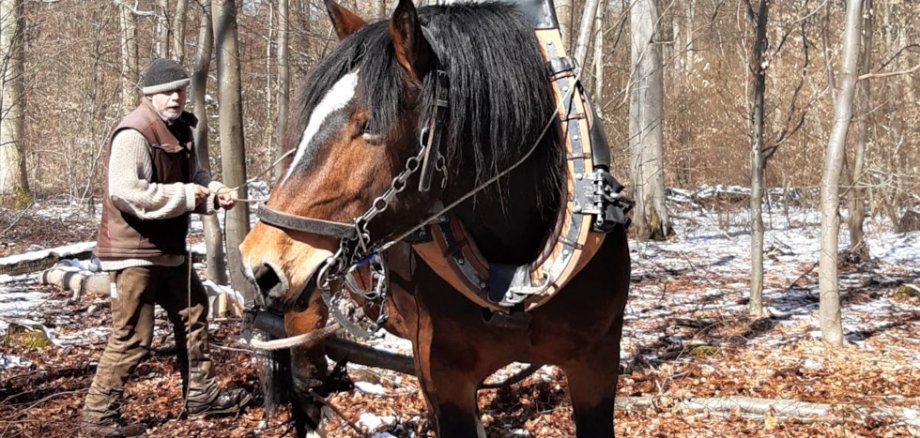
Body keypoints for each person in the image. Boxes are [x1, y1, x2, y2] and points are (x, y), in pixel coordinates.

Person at [82, 58, 251, 436]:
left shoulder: (180, 130)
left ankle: (200, 395)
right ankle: (98, 420)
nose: (175, 97)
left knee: (194, 311)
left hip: (169, 250)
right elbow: (126, 193)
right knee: (132, 338)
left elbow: (196, 180)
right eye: (166, 92)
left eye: (180, 89)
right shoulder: (134, 133)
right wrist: (188, 196)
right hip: (134, 253)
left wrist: (212, 194)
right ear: (149, 96)